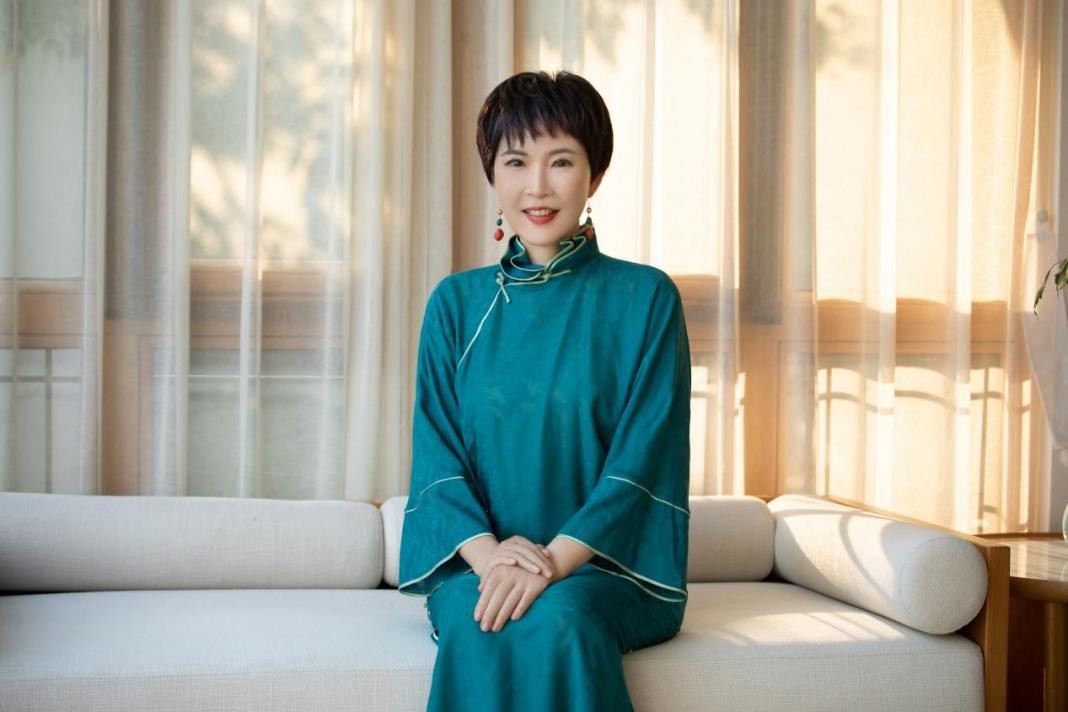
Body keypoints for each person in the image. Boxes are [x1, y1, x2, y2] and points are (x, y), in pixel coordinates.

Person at [398, 70, 691, 712]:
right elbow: (437, 458)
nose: (537, 186)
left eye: (561, 161)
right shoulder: (455, 305)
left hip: (608, 571)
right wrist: (493, 560)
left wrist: (552, 563)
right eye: (516, 161)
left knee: (560, 617)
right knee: (482, 616)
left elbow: (642, 462)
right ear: (492, 174)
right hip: (480, 565)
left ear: (594, 175)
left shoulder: (646, 298)